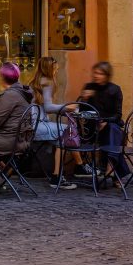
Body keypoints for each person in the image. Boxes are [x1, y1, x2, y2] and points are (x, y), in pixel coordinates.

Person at [29, 56, 81, 190]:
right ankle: (68, 171)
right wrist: (68, 107)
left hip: (31, 125)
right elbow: (48, 107)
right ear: (49, 69)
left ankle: (58, 175)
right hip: (37, 126)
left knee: (62, 133)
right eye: (55, 68)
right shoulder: (48, 82)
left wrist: (63, 108)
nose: (56, 71)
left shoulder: (36, 82)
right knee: (66, 131)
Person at [77, 61, 129, 181]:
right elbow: (83, 112)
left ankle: (110, 167)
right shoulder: (89, 87)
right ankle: (113, 172)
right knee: (115, 133)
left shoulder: (115, 89)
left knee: (112, 128)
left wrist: (105, 121)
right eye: (95, 73)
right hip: (92, 129)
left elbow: (118, 115)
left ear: (107, 75)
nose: (96, 76)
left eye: (100, 73)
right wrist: (85, 98)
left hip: (109, 126)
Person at [0, 62, 34, 157]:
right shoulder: (21, 92)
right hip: (20, 139)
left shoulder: (10, 95)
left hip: (9, 142)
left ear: (2, 77)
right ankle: (2, 169)